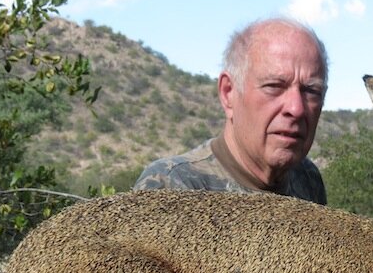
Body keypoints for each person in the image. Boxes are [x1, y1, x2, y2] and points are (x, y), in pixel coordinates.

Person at [133, 17, 328, 204]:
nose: (296, 108)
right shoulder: (170, 187)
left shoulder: (307, 178)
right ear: (228, 93)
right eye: (274, 86)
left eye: (311, 91)